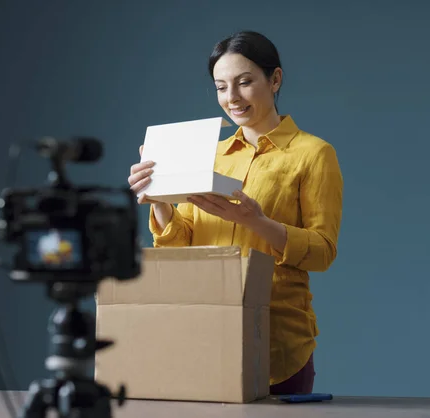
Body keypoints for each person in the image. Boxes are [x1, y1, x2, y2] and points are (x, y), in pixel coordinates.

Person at [127, 30, 343, 395]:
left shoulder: (314, 153)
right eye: (221, 87)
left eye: (245, 83)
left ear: (274, 80)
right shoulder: (208, 155)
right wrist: (159, 198)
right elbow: (182, 248)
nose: (232, 98)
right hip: (207, 334)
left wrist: (255, 222)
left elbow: (322, 251)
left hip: (277, 342)